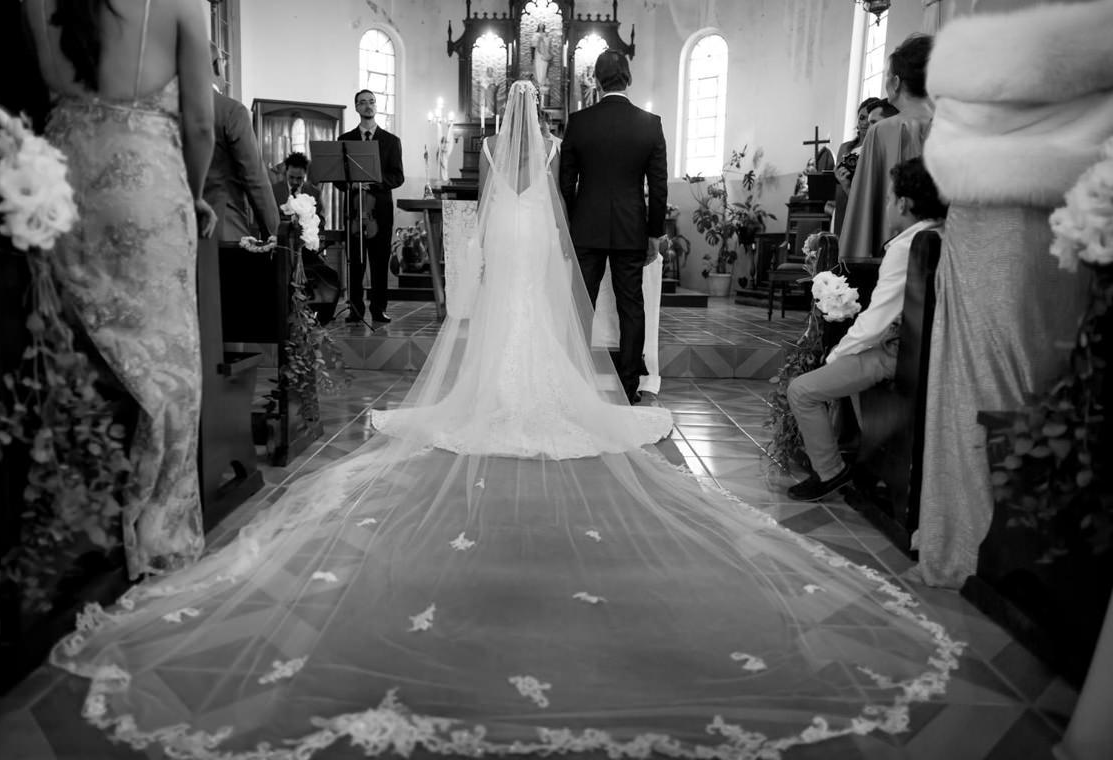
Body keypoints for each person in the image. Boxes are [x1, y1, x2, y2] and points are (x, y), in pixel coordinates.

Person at [47, 80, 959, 758]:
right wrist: (624, 224)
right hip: (588, 232)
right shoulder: (634, 126)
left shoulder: (513, 171)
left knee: (514, 318)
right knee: (600, 324)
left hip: (531, 232)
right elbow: (619, 191)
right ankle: (623, 383)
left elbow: (542, 199)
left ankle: (509, 390)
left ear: (506, 119)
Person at [917, 0, 1113, 589]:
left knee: (974, 378)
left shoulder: (1004, 6)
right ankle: (1036, 542)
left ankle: (966, 544)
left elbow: (952, 125)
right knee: (1056, 376)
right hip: (1082, 216)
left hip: (992, 219)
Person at [22, 0, 215, 579]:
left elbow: (27, 101)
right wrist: (194, 191)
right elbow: (201, 122)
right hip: (145, 194)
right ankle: (155, 528)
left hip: (56, 189)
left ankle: (81, 520)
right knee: (166, 368)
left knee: (76, 351)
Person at [787, 157, 947, 502]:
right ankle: (865, 458)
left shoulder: (906, 247)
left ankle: (831, 472)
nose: (887, 205)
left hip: (899, 353)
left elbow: (876, 322)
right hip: (931, 349)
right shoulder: (943, 233)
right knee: (851, 368)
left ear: (904, 204)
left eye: (890, 198)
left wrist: (835, 355)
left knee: (802, 390)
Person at [560, 50, 667, 403]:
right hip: (630, 228)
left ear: (596, 79)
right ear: (628, 78)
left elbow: (566, 183)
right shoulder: (650, 124)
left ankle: (573, 379)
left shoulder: (578, 122)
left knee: (579, 304)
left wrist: (575, 221)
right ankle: (627, 386)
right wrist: (653, 234)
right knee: (630, 305)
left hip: (586, 228)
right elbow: (659, 186)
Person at [838, 35, 935, 258]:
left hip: (892, 256)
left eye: (887, 76)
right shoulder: (952, 128)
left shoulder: (881, 132)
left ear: (896, 83)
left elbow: (862, 212)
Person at [337, 89, 405, 324]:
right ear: (356, 108)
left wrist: (374, 183)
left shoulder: (391, 141)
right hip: (354, 212)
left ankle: (379, 309)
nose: (368, 106)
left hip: (381, 213)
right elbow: (338, 179)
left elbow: (398, 177)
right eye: (363, 103)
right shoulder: (345, 140)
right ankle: (355, 310)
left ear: (376, 106)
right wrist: (352, 184)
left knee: (379, 262)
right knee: (355, 262)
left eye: (372, 102)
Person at [206, 56, 279, 241]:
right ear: (217, 65)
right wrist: (273, 232)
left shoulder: (167, 111)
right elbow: (254, 177)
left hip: (174, 232)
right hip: (222, 227)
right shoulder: (231, 111)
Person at [271, 152, 340, 325]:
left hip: (306, 250)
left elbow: (321, 220)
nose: (295, 182)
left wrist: (310, 226)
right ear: (285, 172)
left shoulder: (313, 192)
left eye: (299, 179)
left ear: (305, 176)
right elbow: (269, 219)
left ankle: (316, 317)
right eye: (292, 177)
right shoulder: (274, 190)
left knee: (329, 277)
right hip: (280, 249)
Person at [831, 96, 882, 231]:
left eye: (870, 119)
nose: (864, 123)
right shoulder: (845, 147)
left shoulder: (878, 147)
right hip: (842, 203)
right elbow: (836, 179)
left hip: (862, 202)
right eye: (861, 118)